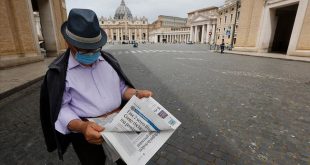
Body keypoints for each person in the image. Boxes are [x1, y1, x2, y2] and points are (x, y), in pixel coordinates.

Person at [40, 9, 153, 165]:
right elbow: (61, 108)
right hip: (86, 131)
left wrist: (136, 93)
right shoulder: (57, 72)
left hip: (119, 124)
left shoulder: (108, 60)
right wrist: (82, 126)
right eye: (84, 50)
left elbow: (121, 88)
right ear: (68, 42)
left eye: (95, 49)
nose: (92, 55)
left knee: (128, 161)